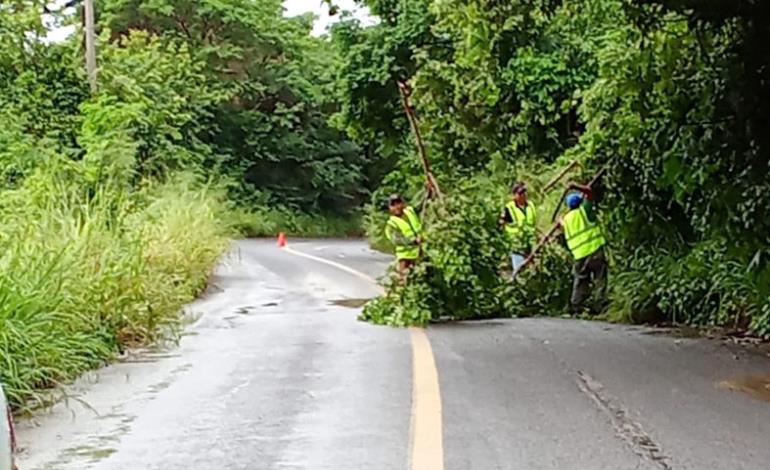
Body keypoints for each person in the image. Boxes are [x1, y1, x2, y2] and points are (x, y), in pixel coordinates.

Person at [559, 182, 608, 315]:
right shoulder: (584, 210)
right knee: (600, 278)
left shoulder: (566, 219)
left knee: (580, 281)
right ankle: (600, 305)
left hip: (579, 255)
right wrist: (576, 186)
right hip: (594, 250)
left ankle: (576, 307)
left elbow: (561, 225)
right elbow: (589, 192)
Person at [499, 182, 537, 273]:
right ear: (514, 195)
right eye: (520, 193)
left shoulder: (530, 205)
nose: (523, 195)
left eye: (524, 192)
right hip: (516, 243)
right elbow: (502, 223)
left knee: (529, 269)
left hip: (529, 241)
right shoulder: (509, 208)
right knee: (519, 269)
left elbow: (533, 222)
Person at [385, 194, 423, 277]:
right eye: (393, 205)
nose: (396, 207)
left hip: (420, 253)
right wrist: (413, 241)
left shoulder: (410, 211)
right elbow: (397, 240)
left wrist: (428, 189)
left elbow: (422, 204)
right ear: (389, 208)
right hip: (405, 257)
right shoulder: (391, 224)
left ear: (403, 203)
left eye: (398, 203)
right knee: (404, 278)